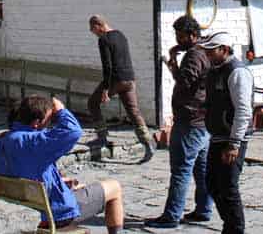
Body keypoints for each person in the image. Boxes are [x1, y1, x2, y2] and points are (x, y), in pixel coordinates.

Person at [0, 95, 125, 234]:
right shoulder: (33, 141)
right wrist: (61, 111)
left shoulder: (2, 141)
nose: (51, 124)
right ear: (36, 123)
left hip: (23, 204)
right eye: (49, 119)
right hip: (51, 214)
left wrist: (59, 183)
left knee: (78, 187)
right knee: (114, 187)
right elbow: (73, 131)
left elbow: (25, 170)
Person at [145, 16, 214, 229]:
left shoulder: (194, 56)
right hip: (203, 122)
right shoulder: (206, 52)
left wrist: (176, 65)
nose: (178, 39)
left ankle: (172, 215)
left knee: (181, 170)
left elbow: (185, 84)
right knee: (201, 171)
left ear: (193, 35)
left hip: (190, 121)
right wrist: (174, 61)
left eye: (181, 35)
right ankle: (203, 210)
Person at [202, 31, 253, 234]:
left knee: (228, 186)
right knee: (213, 183)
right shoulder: (216, 70)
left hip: (232, 137)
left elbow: (243, 110)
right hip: (217, 135)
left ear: (224, 50)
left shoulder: (237, 72)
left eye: (211, 51)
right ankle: (229, 225)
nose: (207, 55)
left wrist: (234, 143)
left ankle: (235, 229)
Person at [87, 15, 155, 162]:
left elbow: (108, 66)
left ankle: (102, 138)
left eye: (93, 30)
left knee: (92, 103)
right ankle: (148, 143)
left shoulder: (104, 39)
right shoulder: (121, 35)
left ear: (99, 25)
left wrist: (106, 89)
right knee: (133, 111)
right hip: (129, 79)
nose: (94, 33)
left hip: (116, 80)